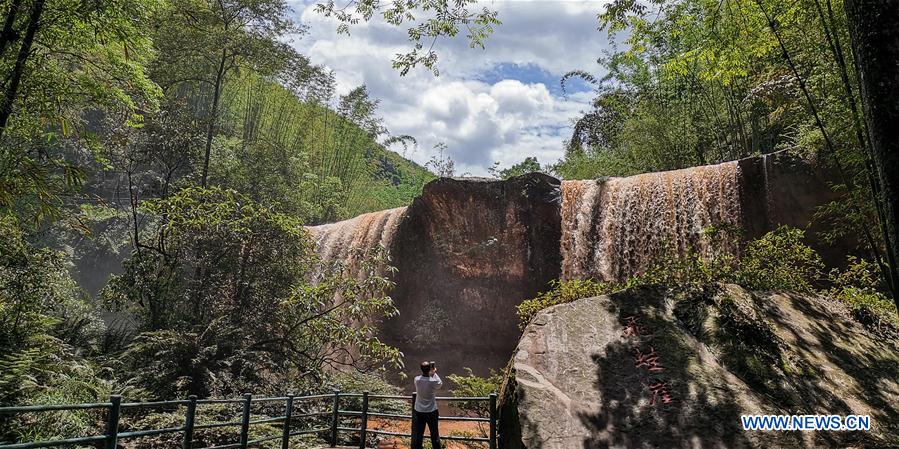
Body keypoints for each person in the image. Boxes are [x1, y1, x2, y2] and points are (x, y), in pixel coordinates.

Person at [412, 360, 442, 449]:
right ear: (430, 369)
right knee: (434, 433)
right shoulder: (433, 381)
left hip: (419, 411)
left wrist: (429, 372)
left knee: (419, 434)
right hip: (431, 411)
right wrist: (434, 373)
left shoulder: (417, 380)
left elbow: (423, 378)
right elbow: (440, 384)